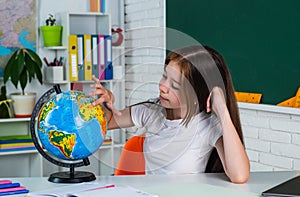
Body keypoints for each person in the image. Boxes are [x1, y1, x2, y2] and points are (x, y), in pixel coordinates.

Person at [89, 45, 250, 183]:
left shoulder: (208, 125)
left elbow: (239, 175)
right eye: (164, 76)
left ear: (197, 95)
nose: (162, 86)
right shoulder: (151, 111)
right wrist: (106, 102)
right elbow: (106, 122)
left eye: (174, 85)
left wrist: (222, 109)